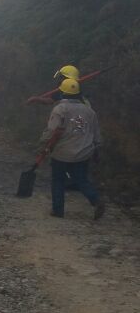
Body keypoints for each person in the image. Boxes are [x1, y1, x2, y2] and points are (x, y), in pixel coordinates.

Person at [38, 78, 105, 219]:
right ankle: (96, 200)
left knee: (58, 180)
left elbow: (52, 130)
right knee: (81, 180)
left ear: (62, 93)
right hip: (83, 153)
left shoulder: (60, 109)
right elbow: (96, 134)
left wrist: (42, 143)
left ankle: (58, 211)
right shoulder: (89, 111)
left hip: (62, 153)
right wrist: (97, 149)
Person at [26, 65, 91, 107]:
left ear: (66, 77)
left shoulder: (76, 90)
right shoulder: (63, 88)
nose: (60, 79)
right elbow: (50, 100)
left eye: (61, 77)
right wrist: (36, 99)